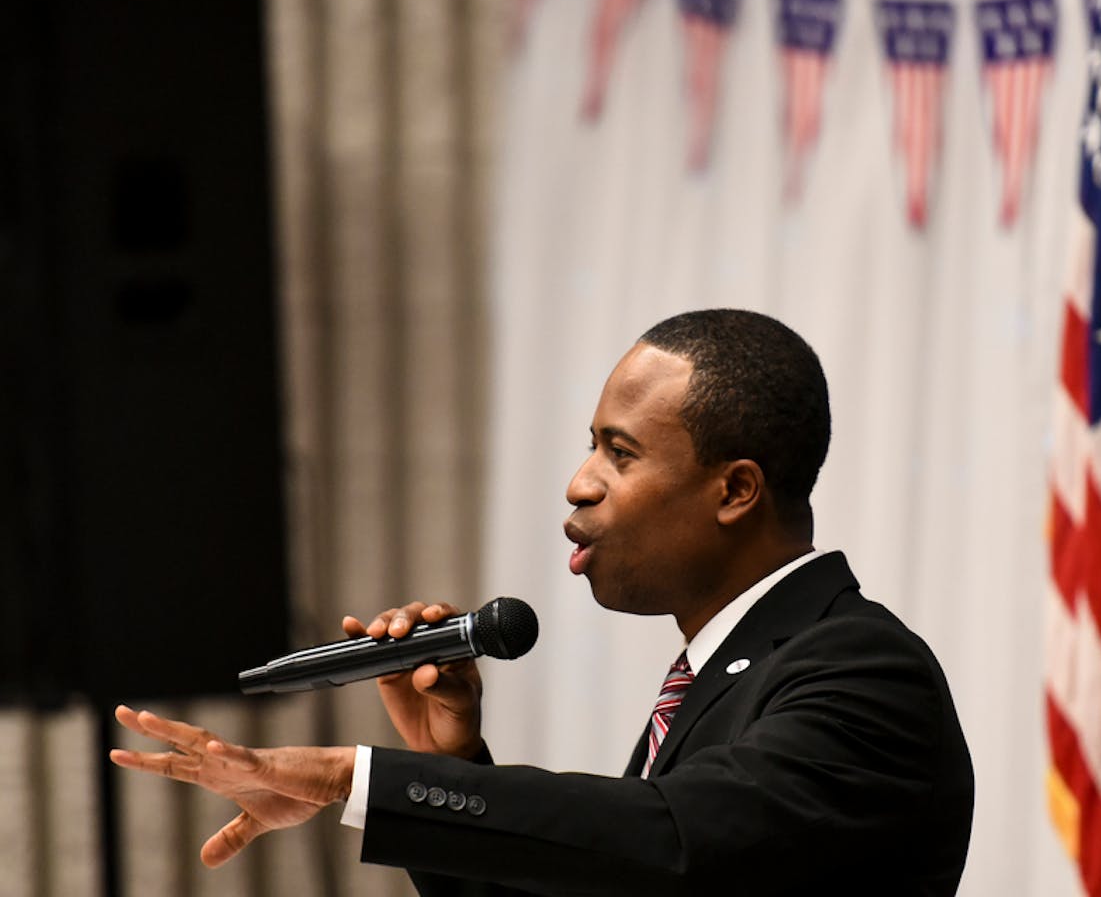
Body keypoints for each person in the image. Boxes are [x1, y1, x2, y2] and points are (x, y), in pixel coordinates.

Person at [111, 309, 975, 895]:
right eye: (587, 447)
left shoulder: (861, 671)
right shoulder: (723, 674)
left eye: (619, 454)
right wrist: (451, 767)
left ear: (736, 489)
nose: (578, 484)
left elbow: (674, 845)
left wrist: (358, 778)